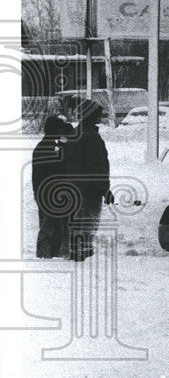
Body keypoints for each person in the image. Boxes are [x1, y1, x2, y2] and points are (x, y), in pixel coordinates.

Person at [63, 100, 112, 262]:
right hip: (89, 189)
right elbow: (97, 166)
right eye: (98, 112)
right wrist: (105, 189)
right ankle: (82, 257)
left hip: (73, 186)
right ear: (90, 115)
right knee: (87, 224)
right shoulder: (91, 137)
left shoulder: (74, 134)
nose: (101, 115)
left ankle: (77, 252)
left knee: (77, 222)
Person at [31, 115, 74, 258]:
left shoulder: (46, 146)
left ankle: (47, 255)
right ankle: (45, 255)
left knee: (51, 226)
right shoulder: (49, 147)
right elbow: (60, 168)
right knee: (50, 227)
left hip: (47, 193)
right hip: (50, 193)